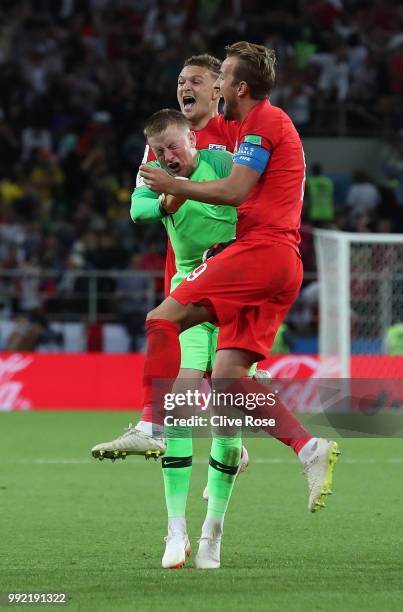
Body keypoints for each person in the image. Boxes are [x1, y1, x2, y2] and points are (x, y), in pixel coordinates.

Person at [138, 42, 340, 569]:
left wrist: (174, 185)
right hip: (281, 262)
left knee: (162, 317)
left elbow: (232, 191)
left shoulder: (263, 124)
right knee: (228, 379)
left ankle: (152, 424)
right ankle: (307, 448)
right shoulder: (262, 125)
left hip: (262, 252)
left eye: (221, 79)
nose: (217, 87)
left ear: (239, 87)